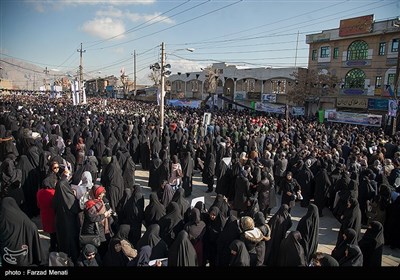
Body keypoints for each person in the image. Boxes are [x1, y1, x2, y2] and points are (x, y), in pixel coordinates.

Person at [0, 197, 44, 266]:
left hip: (5, 259)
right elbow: (32, 227)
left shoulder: (2, 219)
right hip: (23, 259)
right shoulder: (23, 218)